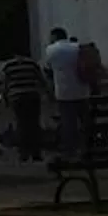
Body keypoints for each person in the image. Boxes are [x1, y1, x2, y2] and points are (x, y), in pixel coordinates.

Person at [45, 27, 88, 160]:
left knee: (69, 123)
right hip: (83, 90)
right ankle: (86, 148)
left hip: (64, 92)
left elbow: (48, 69)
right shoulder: (77, 47)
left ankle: (71, 150)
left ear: (54, 37)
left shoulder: (51, 50)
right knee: (85, 122)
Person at [0, 48, 46, 163]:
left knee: (21, 124)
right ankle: (36, 153)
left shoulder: (8, 65)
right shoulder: (33, 64)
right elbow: (41, 80)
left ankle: (23, 153)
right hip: (32, 96)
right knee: (34, 124)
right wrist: (48, 93)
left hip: (17, 98)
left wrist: (5, 98)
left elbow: (5, 83)